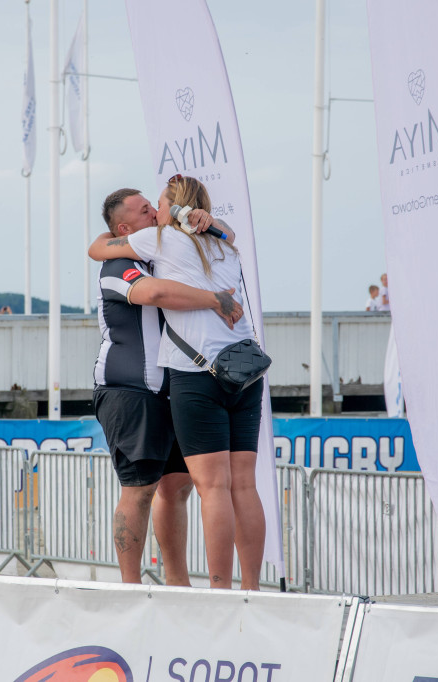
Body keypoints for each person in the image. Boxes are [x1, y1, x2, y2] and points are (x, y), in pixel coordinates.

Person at [89, 175, 265, 590]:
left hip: (180, 382)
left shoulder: (166, 244)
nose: (154, 211)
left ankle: (179, 583)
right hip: (131, 389)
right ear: (125, 229)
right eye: (144, 209)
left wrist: (209, 224)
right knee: (141, 488)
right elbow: (152, 292)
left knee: (179, 488)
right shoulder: (123, 263)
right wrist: (216, 298)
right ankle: (133, 586)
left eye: (156, 205)